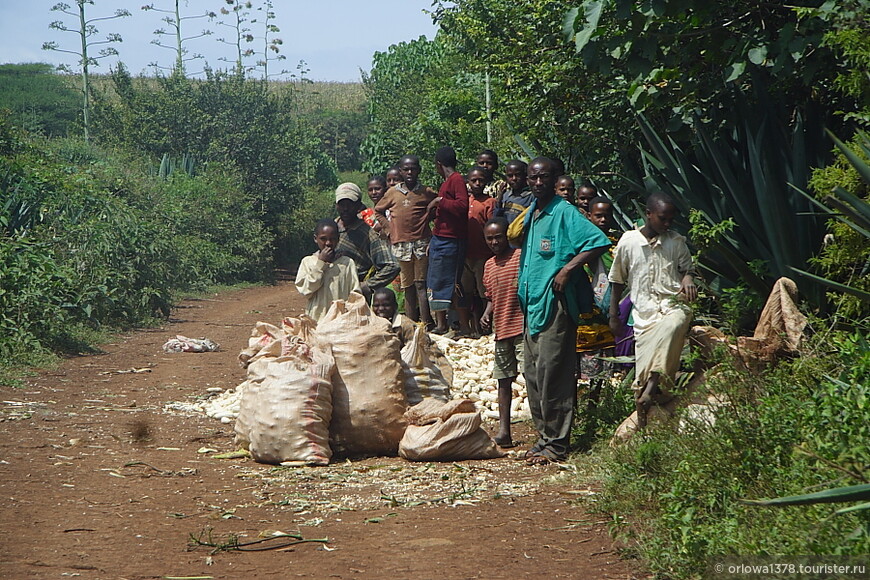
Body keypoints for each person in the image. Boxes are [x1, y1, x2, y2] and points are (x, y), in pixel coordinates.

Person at [517, 157, 610, 465]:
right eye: (533, 177)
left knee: (553, 374)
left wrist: (568, 269)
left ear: (555, 179)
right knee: (532, 374)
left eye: (544, 177)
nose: (537, 182)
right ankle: (544, 437)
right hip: (531, 306)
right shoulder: (533, 212)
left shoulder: (564, 212)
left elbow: (597, 241)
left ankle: (557, 444)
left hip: (555, 305)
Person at [608, 192, 697, 429]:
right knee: (643, 372)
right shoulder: (628, 242)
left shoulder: (675, 242)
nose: (667, 225)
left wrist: (687, 279)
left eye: (670, 220)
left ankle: (652, 386)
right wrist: (614, 315)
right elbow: (617, 279)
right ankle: (646, 415)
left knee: (675, 324)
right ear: (648, 215)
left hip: (672, 305)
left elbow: (689, 269)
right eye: (662, 219)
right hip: (645, 316)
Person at [374, 155, 437, 327]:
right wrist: (389, 230)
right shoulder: (393, 193)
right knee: (407, 285)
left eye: (413, 168)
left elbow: (438, 204)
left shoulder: (425, 191)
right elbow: (378, 211)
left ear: (419, 170)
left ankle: (426, 322)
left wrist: (429, 217)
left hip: (421, 243)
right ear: (401, 171)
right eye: (406, 169)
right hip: (401, 245)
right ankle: (410, 323)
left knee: (421, 284)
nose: (410, 172)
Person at [480, 217, 524, 448]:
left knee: (532, 378)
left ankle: (543, 428)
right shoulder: (489, 265)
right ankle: (504, 432)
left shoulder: (519, 257)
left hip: (522, 327)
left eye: (498, 237)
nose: (494, 242)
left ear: (507, 235)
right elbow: (491, 296)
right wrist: (487, 313)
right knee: (503, 381)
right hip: (502, 330)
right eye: (490, 238)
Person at [427, 146, 469, 334]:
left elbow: (462, 205)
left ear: (439, 164)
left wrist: (438, 202)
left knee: (453, 283)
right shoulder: (446, 182)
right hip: (440, 238)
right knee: (437, 282)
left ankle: (463, 326)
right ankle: (442, 324)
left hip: (452, 240)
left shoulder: (456, 179)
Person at [334, 182, 400, 301]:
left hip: (354, 294)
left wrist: (367, 285)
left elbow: (392, 265)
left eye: (350, 204)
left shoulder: (368, 233)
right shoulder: (330, 229)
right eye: (342, 204)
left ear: (358, 205)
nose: (345, 209)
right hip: (331, 291)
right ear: (336, 205)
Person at [295, 219, 361, 321]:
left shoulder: (347, 263)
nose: (328, 243)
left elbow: (355, 294)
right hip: (317, 319)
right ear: (315, 238)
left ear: (338, 239)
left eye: (332, 239)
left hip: (341, 320)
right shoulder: (308, 262)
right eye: (323, 239)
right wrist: (320, 263)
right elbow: (306, 290)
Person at [458, 165, 497, 337]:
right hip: (465, 255)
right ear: (467, 182)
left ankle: (486, 327)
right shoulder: (464, 201)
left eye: (481, 180)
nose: (477, 183)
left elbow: (491, 227)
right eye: (474, 180)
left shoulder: (490, 202)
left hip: (483, 255)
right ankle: (469, 327)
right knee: (466, 292)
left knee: (484, 292)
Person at [494, 159, 533, 225]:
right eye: (510, 176)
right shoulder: (506, 196)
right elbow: (497, 218)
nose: (514, 178)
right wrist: (499, 200)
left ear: (525, 176)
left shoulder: (531, 196)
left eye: (518, 175)